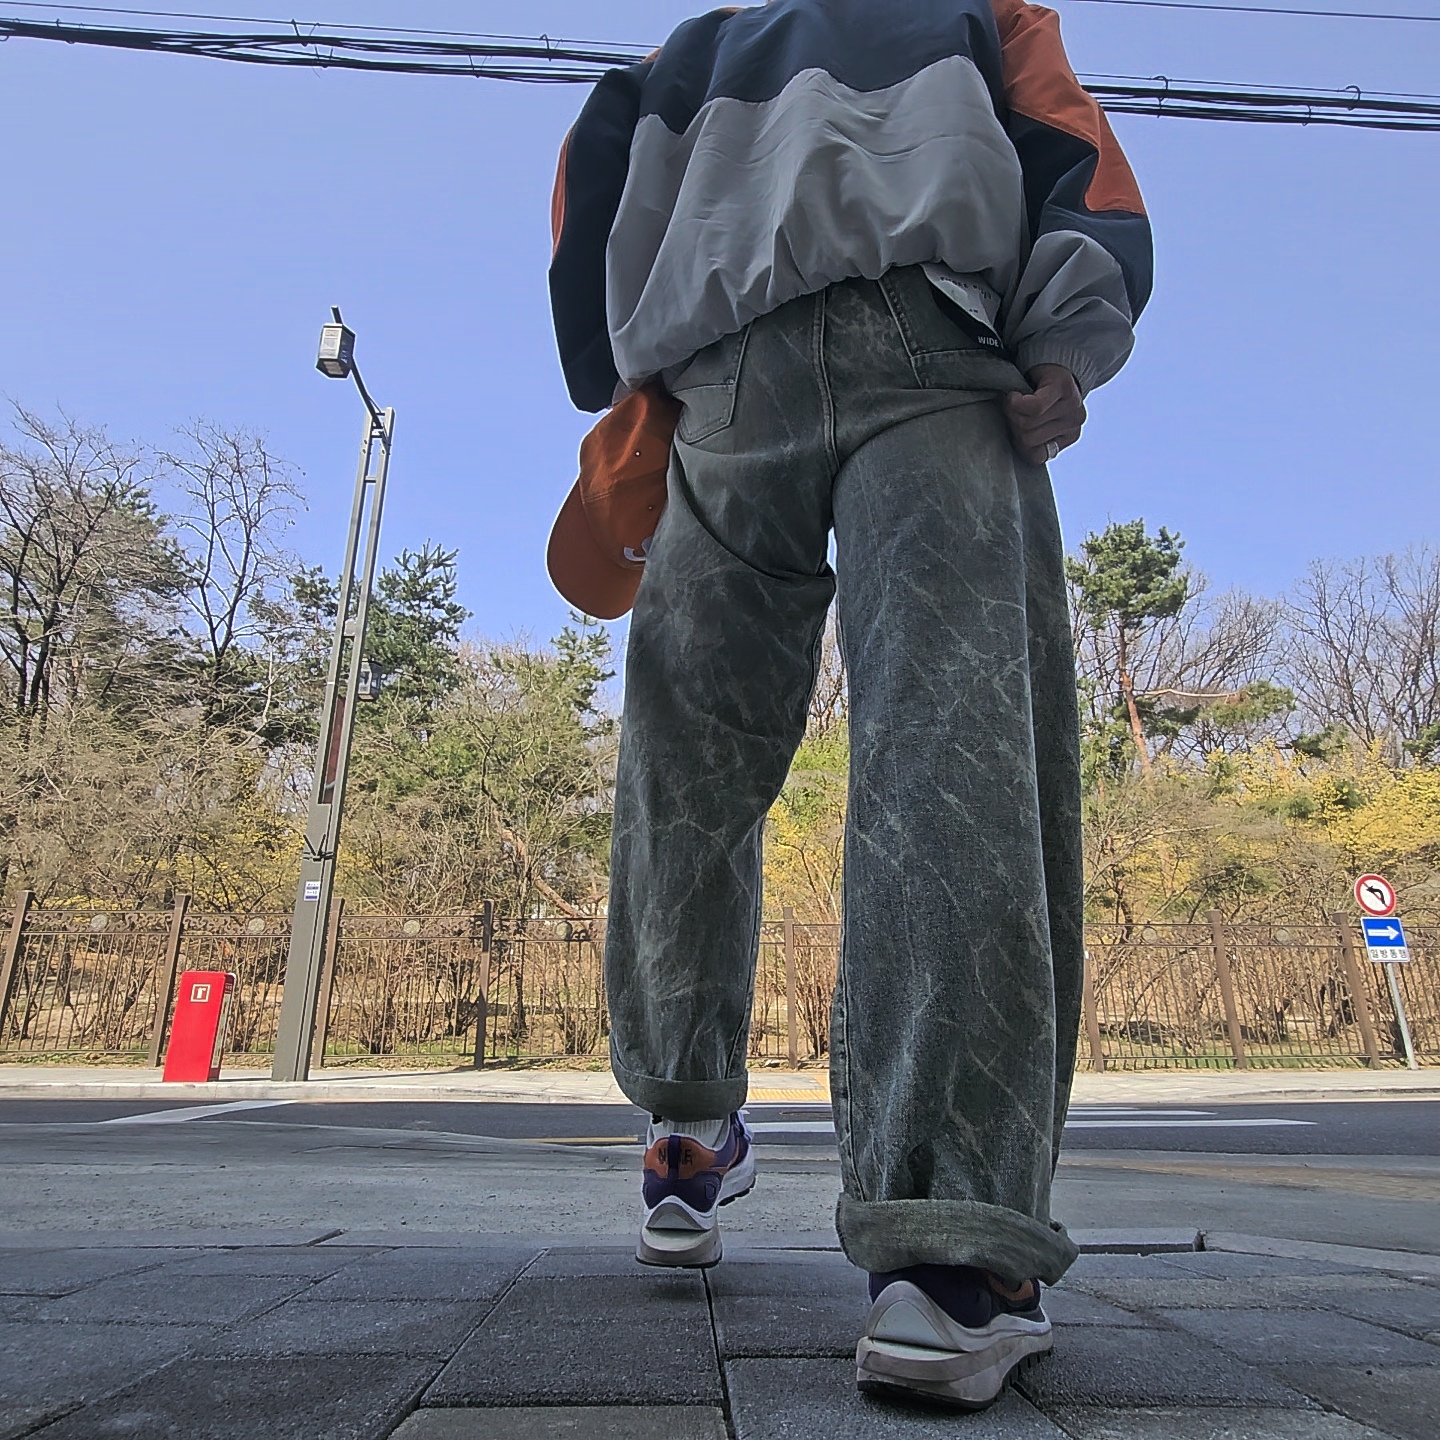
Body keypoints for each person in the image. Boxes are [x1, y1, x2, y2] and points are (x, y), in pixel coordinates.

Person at [545, 0, 1151, 1411]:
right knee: (930, 761)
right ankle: (929, 1246)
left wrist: (622, 363)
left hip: (755, 384)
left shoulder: (698, 53)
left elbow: (585, 215)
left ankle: (708, 1139)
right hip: (895, 360)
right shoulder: (967, 13)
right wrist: (1066, 336)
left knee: (714, 770)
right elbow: (1080, 161)